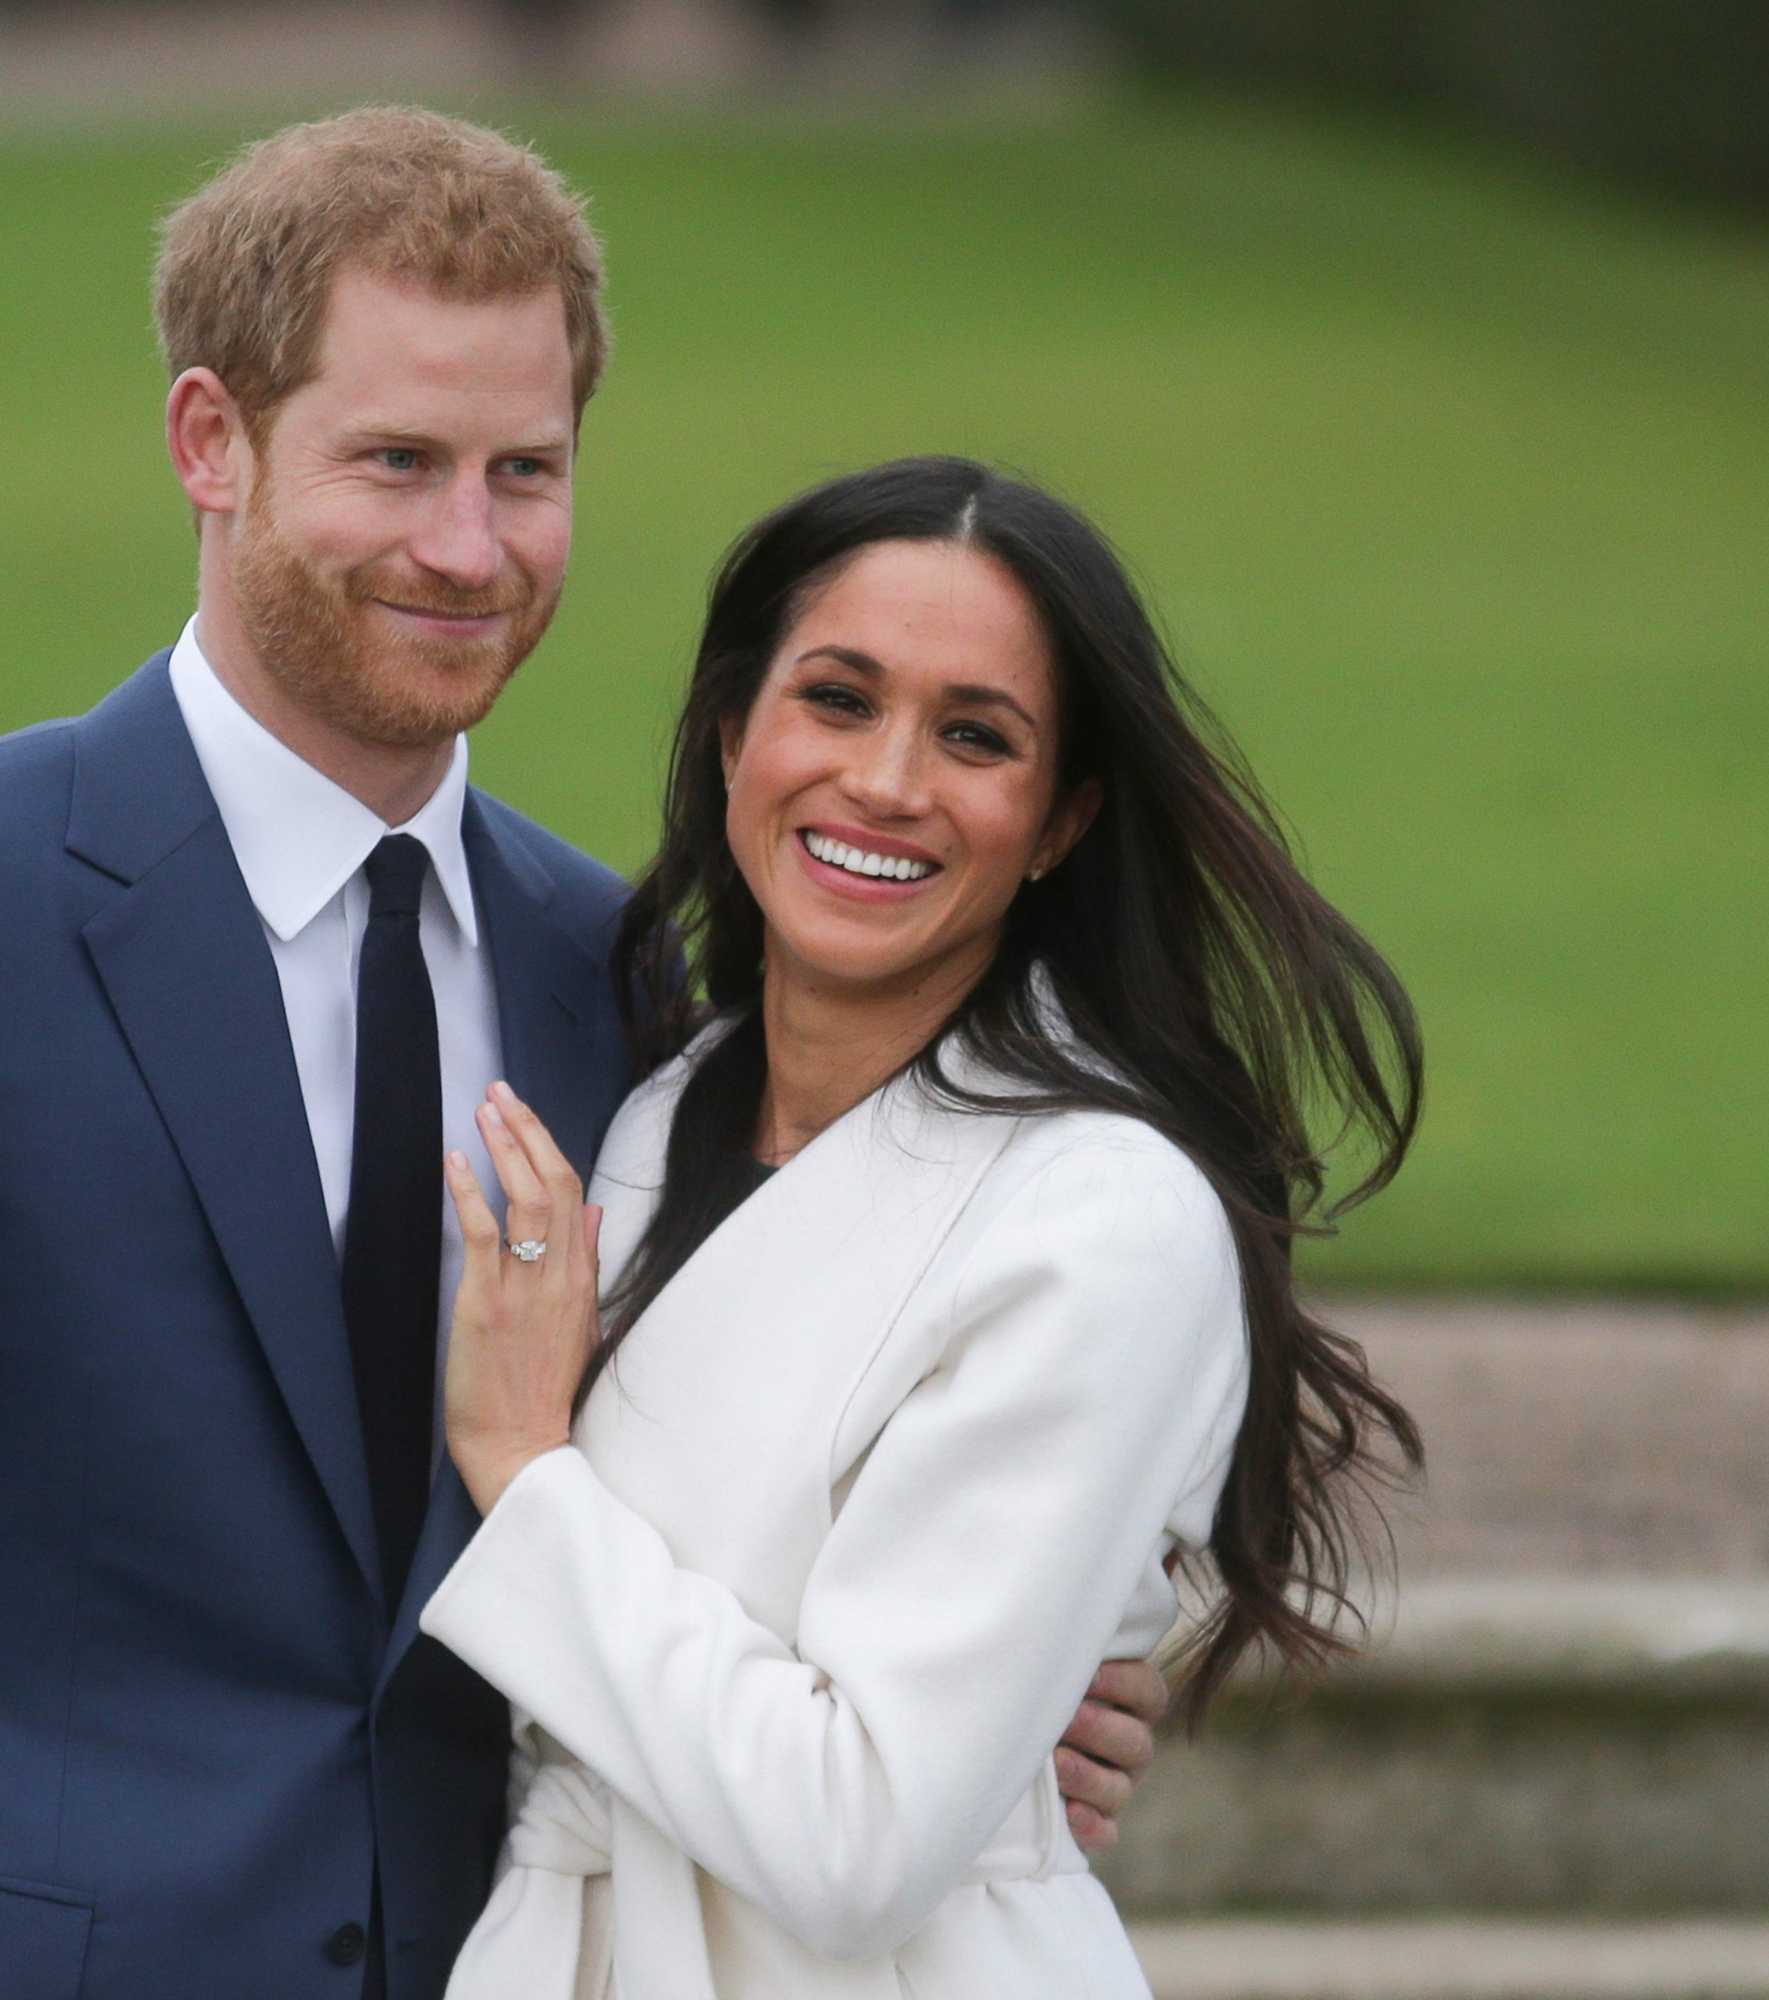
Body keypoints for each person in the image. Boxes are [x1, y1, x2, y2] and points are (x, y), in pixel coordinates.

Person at [0, 111, 1160, 2000]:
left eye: (525, 471)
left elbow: (710, 1480)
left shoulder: (618, 977)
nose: (468, 547)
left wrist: (994, 1692)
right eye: (398, 462)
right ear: (211, 441)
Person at [405, 456, 1425, 1997]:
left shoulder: (1099, 1219)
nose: (886, 783)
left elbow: (860, 1839)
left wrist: (524, 1471)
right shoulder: (648, 1113)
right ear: (735, 731)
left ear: (1062, 819)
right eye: (837, 699)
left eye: (975, 737)